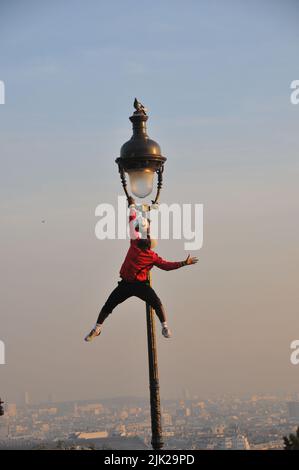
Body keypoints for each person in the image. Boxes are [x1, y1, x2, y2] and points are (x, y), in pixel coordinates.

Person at [85, 197, 198, 342]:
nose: (145, 239)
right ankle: (97, 329)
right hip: (125, 284)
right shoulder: (135, 242)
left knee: (157, 303)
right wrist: (131, 205)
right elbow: (132, 220)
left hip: (141, 285)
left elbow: (166, 266)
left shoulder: (151, 256)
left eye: (147, 239)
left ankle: (165, 326)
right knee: (108, 305)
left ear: (148, 245)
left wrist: (184, 263)